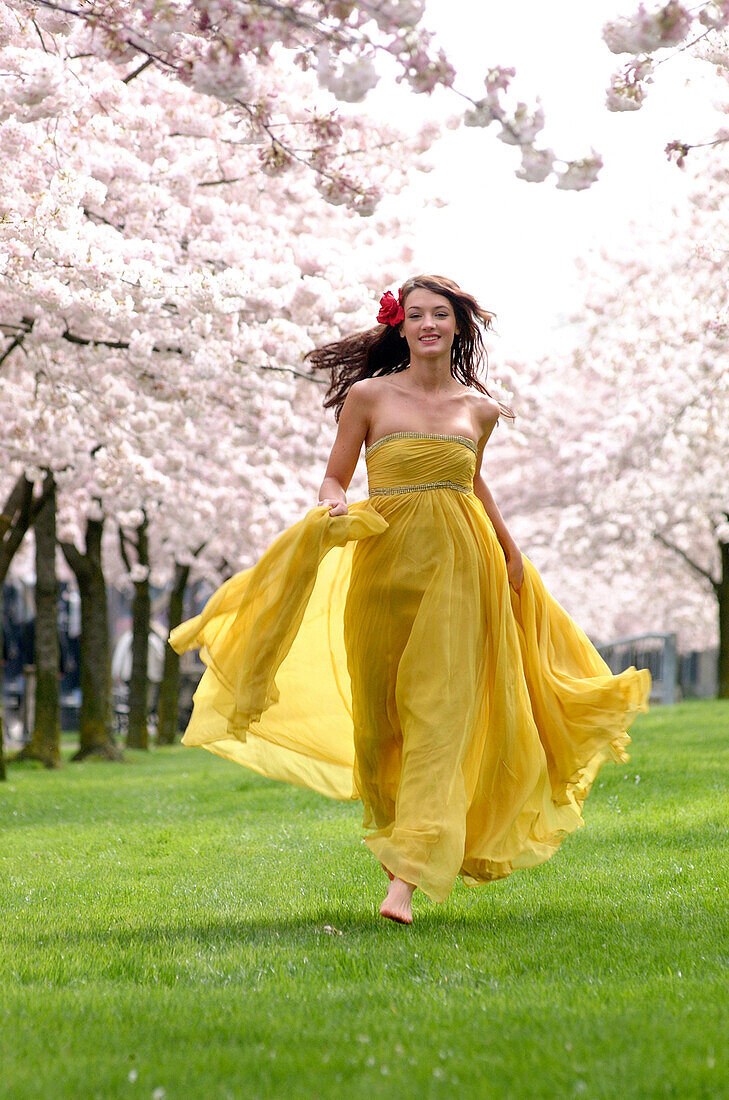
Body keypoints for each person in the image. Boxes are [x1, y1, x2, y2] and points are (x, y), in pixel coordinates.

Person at [169, 273, 651, 925]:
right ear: (399, 325)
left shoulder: (478, 410)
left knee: (438, 716)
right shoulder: (368, 397)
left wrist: (509, 553)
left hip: (461, 567)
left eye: (440, 315)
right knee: (382, 721)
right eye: (416, 314)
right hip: (382, 564)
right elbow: (335, 474)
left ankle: (405, 882)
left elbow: (472, 484)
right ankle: (403, 845)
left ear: (458, 326)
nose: (428, 324)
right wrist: (333, 501)